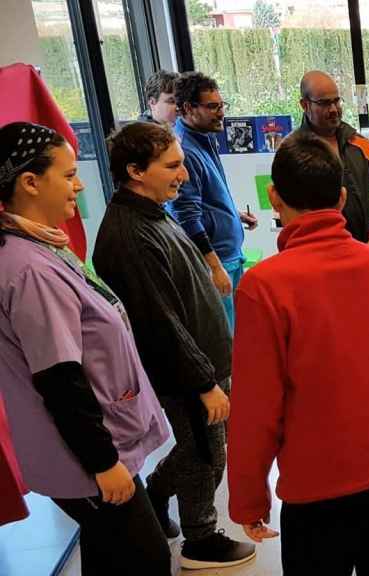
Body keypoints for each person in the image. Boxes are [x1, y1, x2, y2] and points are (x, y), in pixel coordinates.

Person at [227, 134, 369, 575]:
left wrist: (248, 495)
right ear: (342, 198)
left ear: (275, 198)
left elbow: (257, 407)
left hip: (317, 486)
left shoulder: (264, 287)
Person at [0, 122, 171, 575]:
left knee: (110, 553)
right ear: (30, 182)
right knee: (145, 560)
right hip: (84, 457)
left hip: (91, 447)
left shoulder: (39, 248)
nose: (79, 184)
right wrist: (104, 461)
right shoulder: (30, 271)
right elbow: (58, 376)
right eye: (69, 173)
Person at [93, 122, 256, 569]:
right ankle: (200, 538)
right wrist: (204, 382)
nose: (183, 174)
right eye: (173, 166)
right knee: (205, 453)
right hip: (185, 370)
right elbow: (159, 322)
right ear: (135, 171)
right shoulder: (129, 235)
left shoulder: (152, 212)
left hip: (201, 358)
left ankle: (157, 499)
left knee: (201, 447)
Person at [169, 71, 258, 333]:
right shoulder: (184, 150)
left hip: (229, 257)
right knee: (226, 342)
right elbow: (185, 215)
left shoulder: (204, 139)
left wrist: (233, 214)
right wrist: (215, 267)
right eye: (212, 107)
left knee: (240, 338)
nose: (221, 113)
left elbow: (203, 200)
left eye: (222, 105)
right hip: (215, 263)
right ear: (187, 108)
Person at [295, 70, 369, 248]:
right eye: (324, 103)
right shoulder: (294, 153)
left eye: (336, 101)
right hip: (321, 255)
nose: (333, 109)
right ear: (304, 105)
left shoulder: (360, 145)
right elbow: (293, 215)